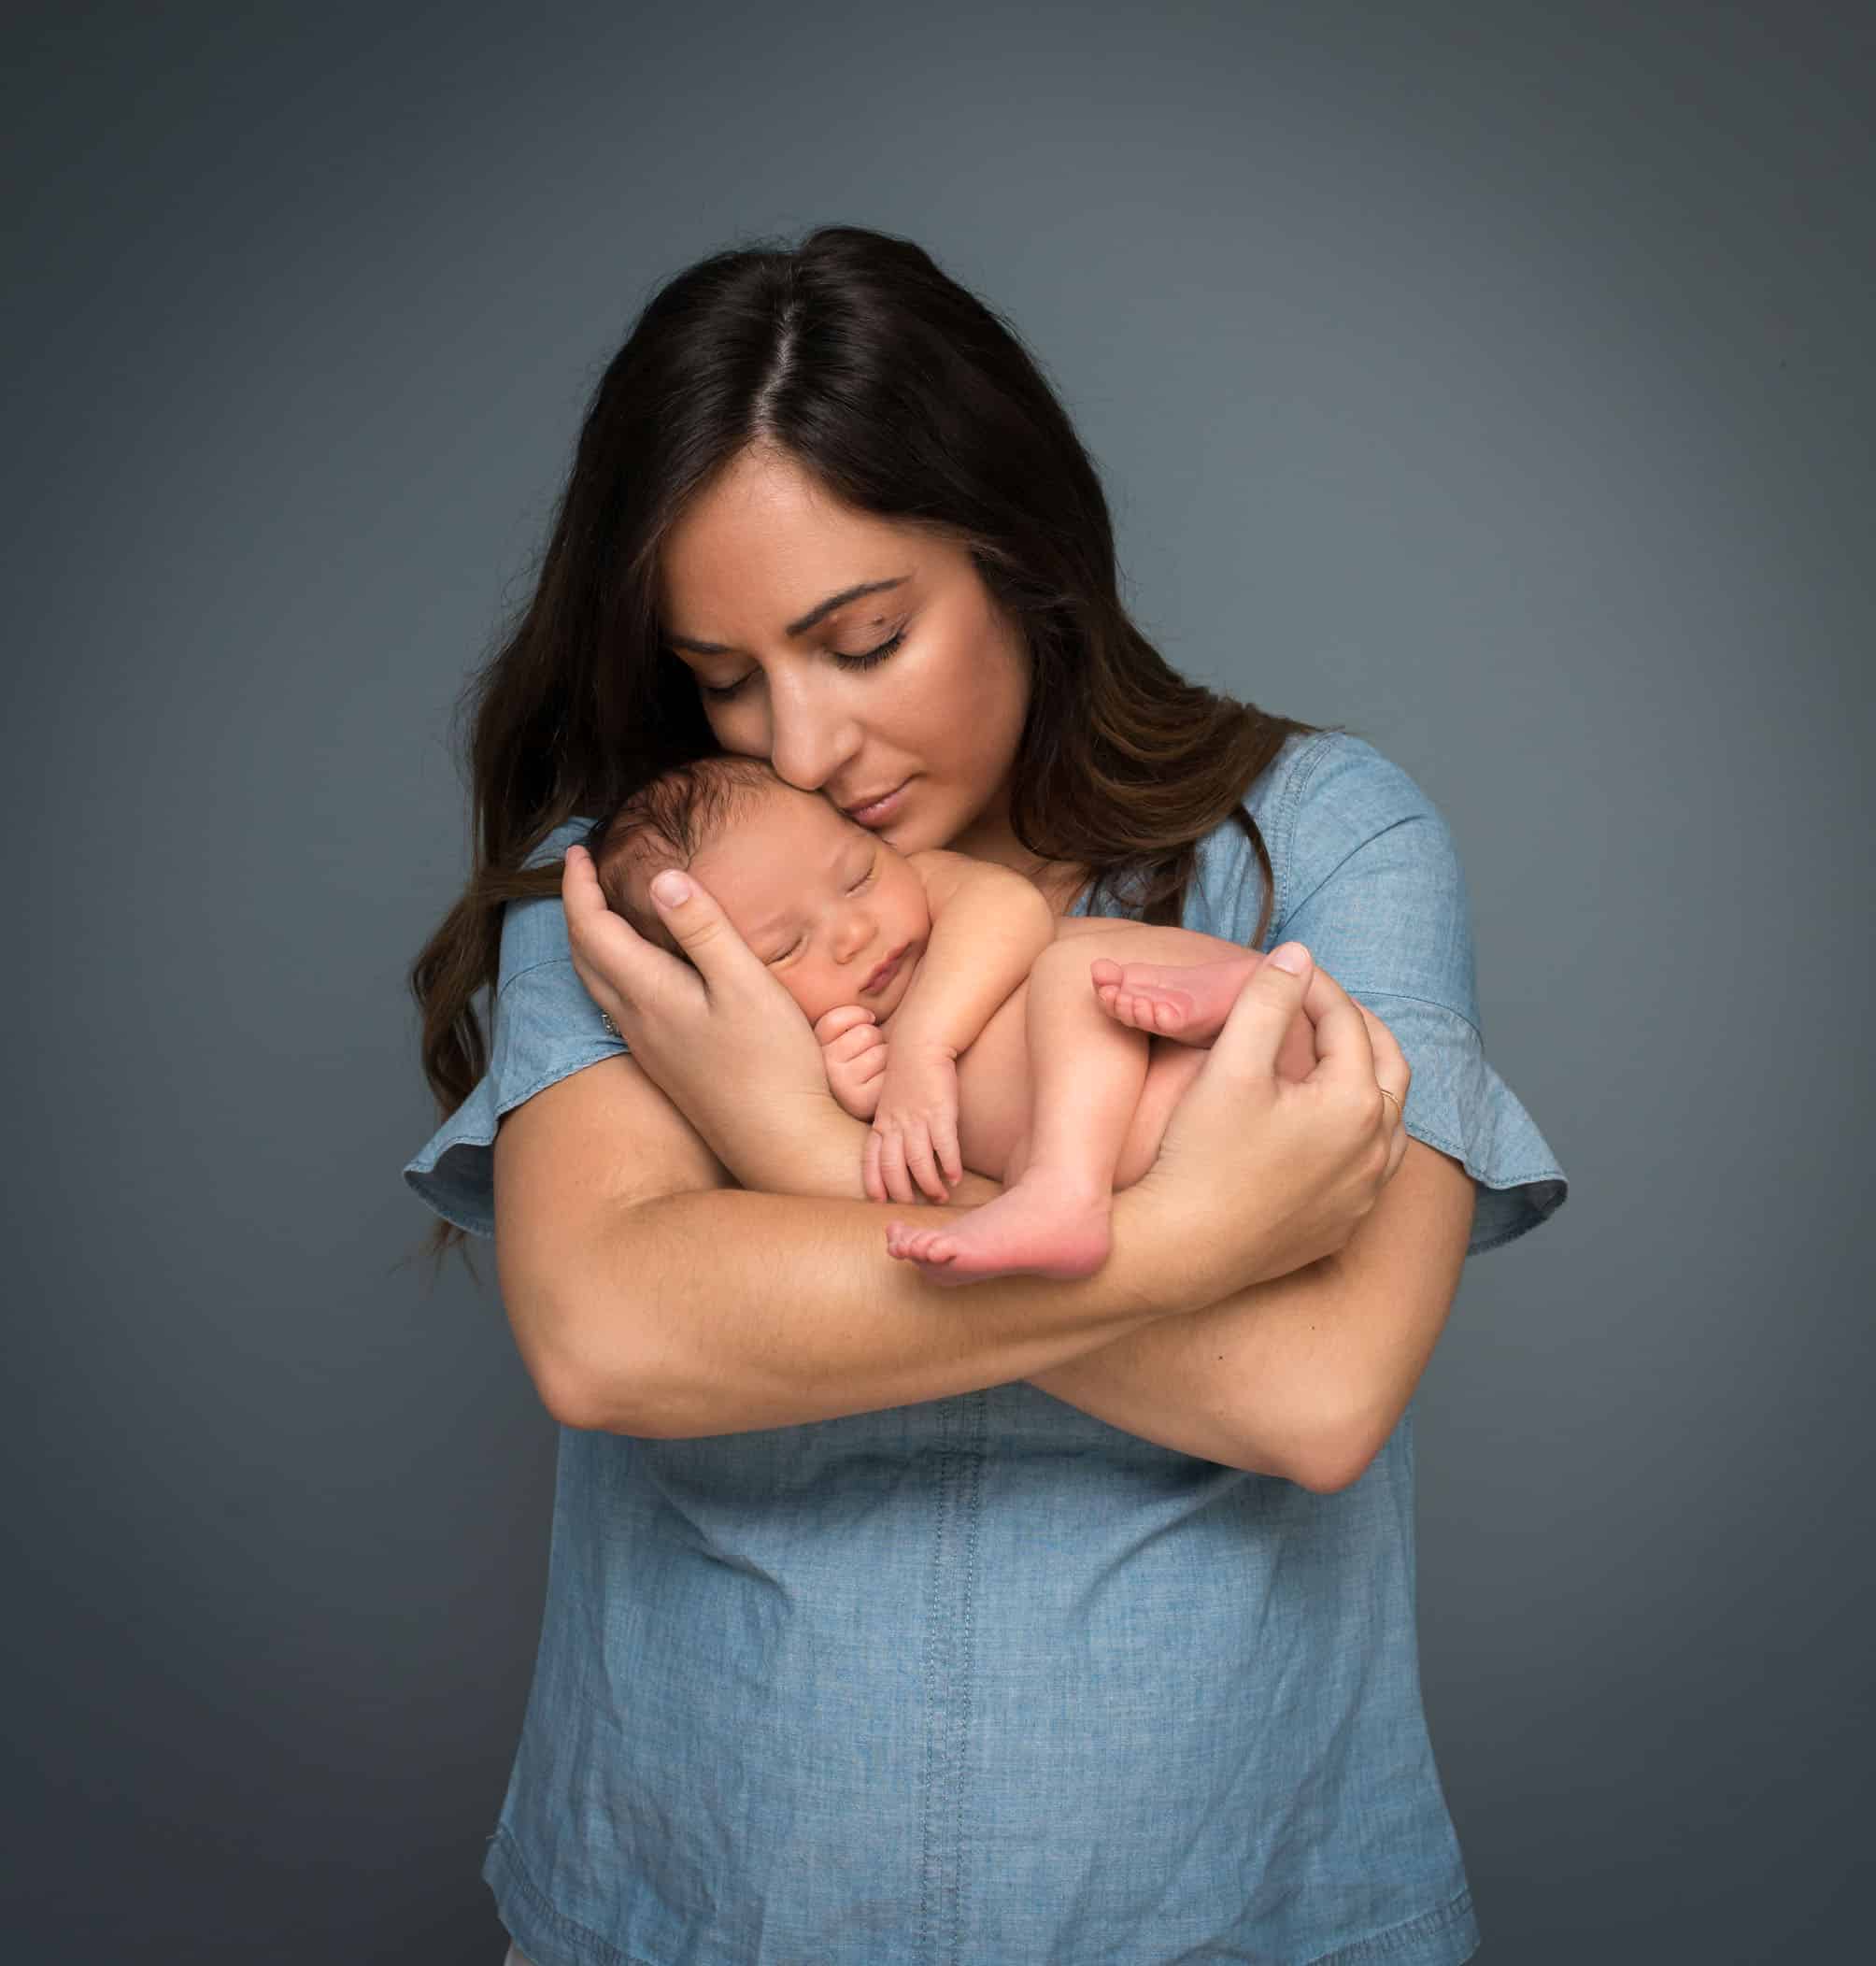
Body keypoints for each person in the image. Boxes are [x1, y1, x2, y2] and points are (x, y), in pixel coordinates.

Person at [405, 225, 1569, 1966]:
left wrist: (788, 1142)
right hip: (703, 1908)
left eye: (860, 638)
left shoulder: (1330, 841)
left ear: (1022, 557)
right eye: (724, 677)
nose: (797, 749)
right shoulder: (655, 894)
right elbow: (606, 1330)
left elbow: (1321, 1394)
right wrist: (1197, 1240)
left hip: (1228, 1915)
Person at [583, 753, 1322, 1283]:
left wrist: (922, 1047)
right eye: (784, 948)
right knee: (1053, 1113)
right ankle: (1061, 1181)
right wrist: (849, 1089)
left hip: (1192, 1033)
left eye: (858, 875)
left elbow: (1011, 912)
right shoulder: (794, 1052)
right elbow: (883, 1139)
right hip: (1172, 1139)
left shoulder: (933, 889)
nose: (854, 932)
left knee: (1075, 975)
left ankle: (1075, 1180)